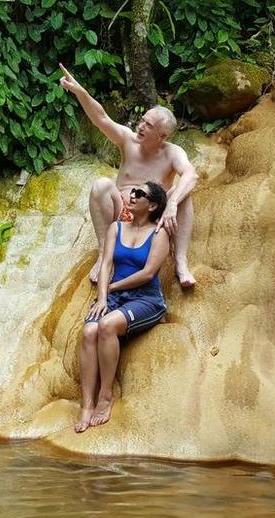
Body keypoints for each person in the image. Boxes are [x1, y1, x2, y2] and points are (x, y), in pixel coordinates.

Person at [58, 63, 199, 288]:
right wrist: (79, 91)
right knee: (101, 185)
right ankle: (105, 255)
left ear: (162, 136)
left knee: (183, 194)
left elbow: (191, 175)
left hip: (154, 220)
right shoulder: (127, 139)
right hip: (123, 214)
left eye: (148, 125)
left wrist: (172, 203)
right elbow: (101, 118)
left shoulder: (172, 153)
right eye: (142, 120)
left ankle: (181, 262)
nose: (140, 126)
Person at [75, 181, 171, 433]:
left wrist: (113, 288)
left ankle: (105, 397)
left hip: (146, 299)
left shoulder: (159, 234)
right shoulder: (116, 228)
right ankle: (86, 405)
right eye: (133, 191)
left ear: (152, 206)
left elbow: (148, 273)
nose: (133, 195)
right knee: (89, 331)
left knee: (106, 325)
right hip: (114, 296)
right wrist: (102, 297)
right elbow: (106, 264)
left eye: (140, 193)